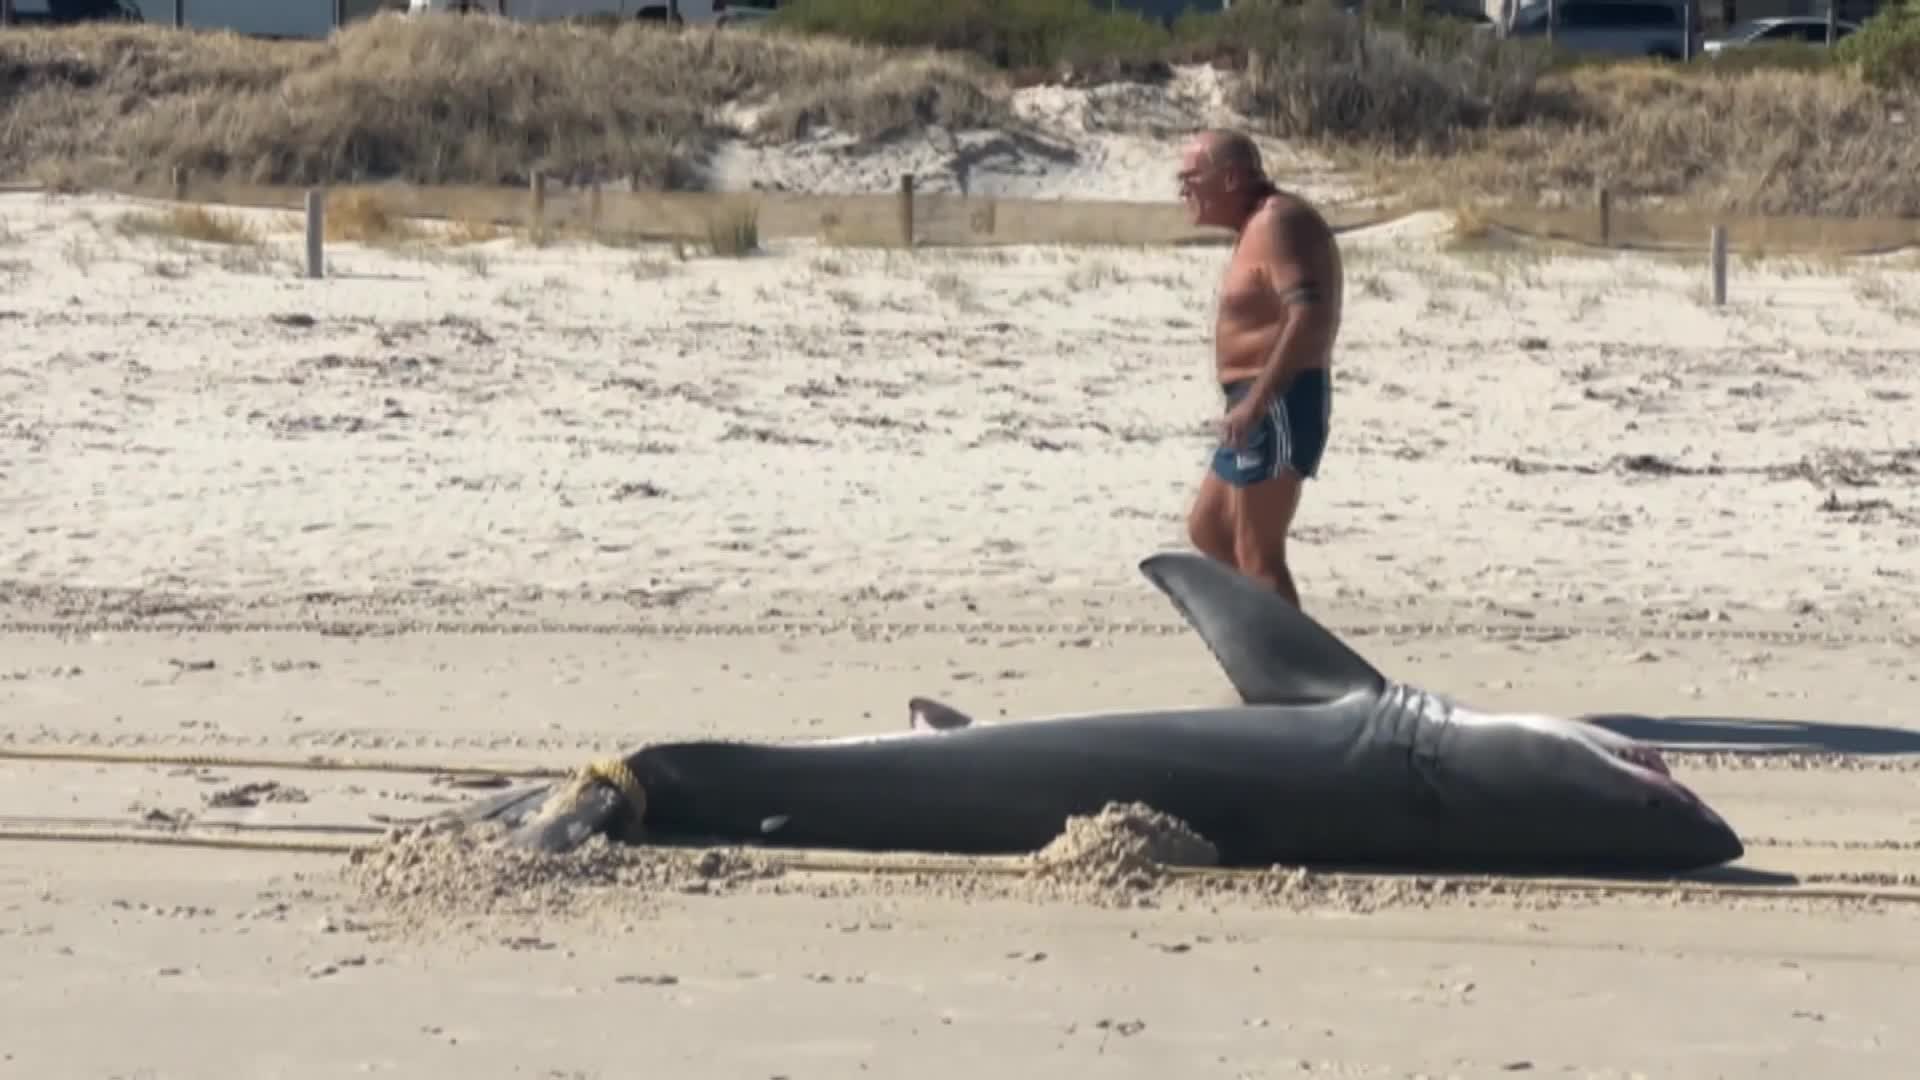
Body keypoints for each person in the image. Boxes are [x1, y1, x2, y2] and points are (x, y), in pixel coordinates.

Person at [1176, 128, 1343, 609]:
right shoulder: (1257, 225)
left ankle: (1291, 649)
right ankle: (1261, 625)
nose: (1182, 191)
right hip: (1256, 400)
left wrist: (1257, 402)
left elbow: (1309, 314)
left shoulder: (1278, 222)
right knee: (1209, 528)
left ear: (1230, 178)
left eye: (1191, 179)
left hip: (1279, 399)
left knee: (1257, 551)